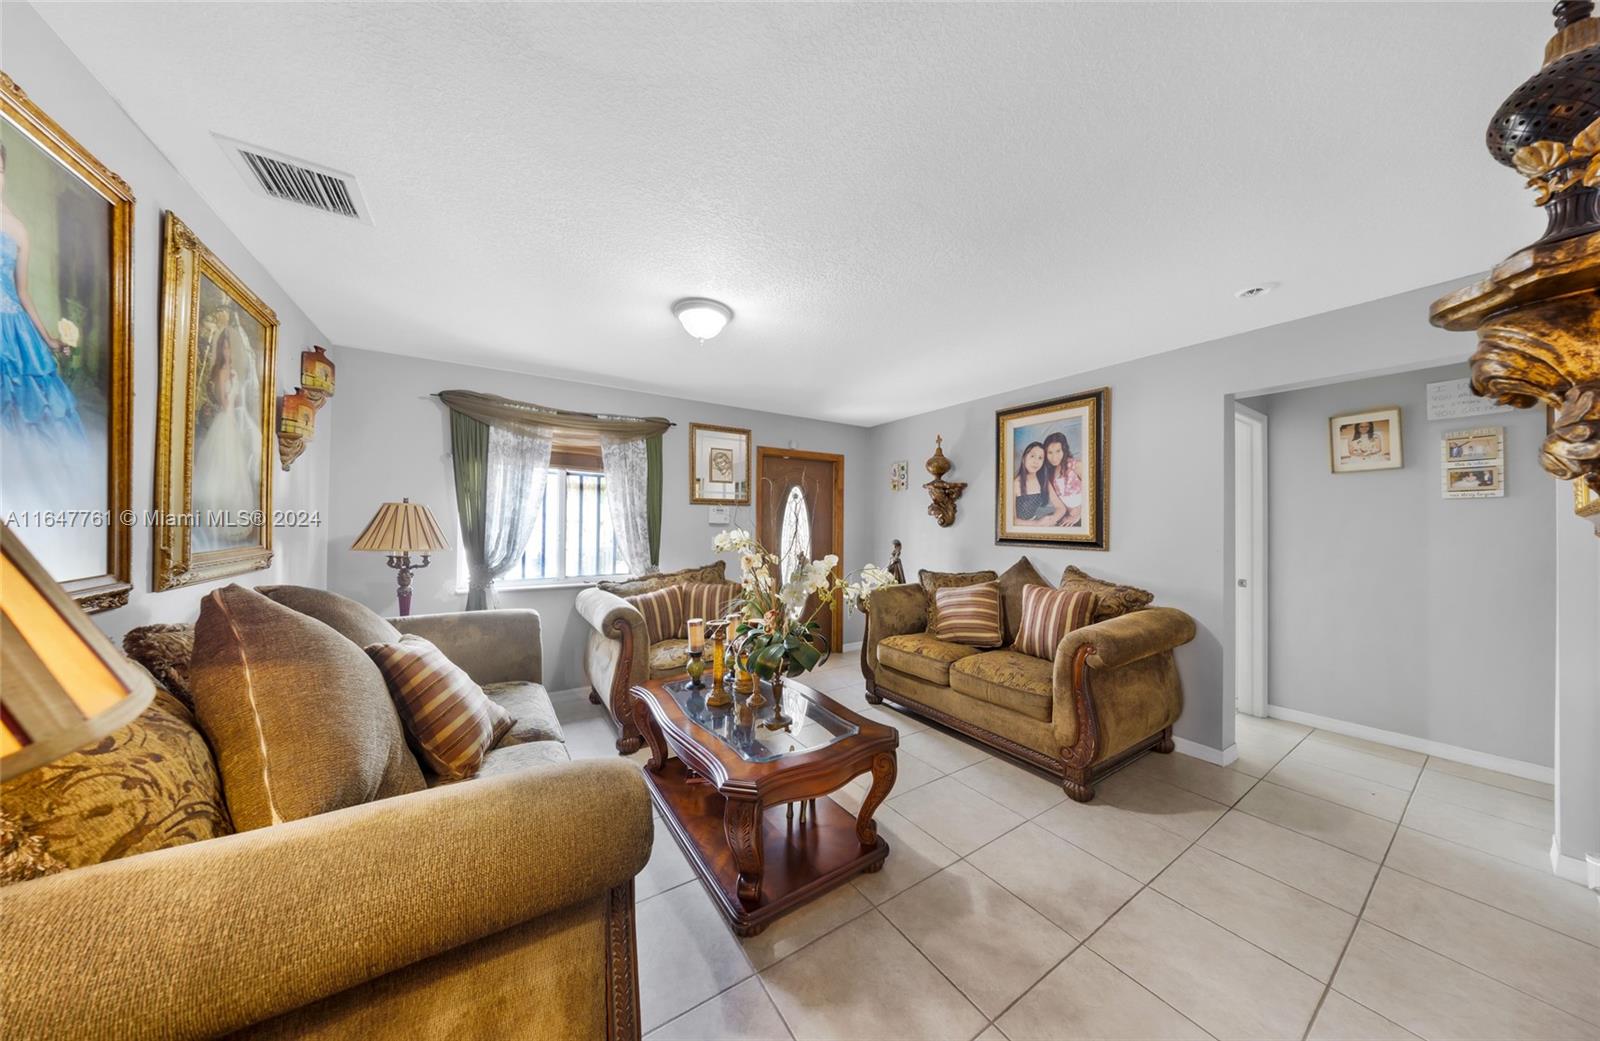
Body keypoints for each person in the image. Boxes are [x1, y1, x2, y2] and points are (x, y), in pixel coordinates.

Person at [0, 142, 85, 444]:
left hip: (11, 328)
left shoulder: (19, 230)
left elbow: (23, 293)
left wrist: (49, 339)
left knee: (24, 410)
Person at [192, 311, 260, 549]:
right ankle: (216, 521)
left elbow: (240, 400)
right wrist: (231, 391)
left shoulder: (233, 372)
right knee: (222, 469)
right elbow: (224, 400)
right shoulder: (222, 372)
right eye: (224, 347)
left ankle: (230, 520)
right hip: (225, 421)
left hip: (233, 421)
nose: (227, 351)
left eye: (230, 347)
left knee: (235, 472)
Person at [1013, 441, 1066, 525]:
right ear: (1024, 458)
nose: (1036, 461)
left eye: (1040, 458)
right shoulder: (1014, 484)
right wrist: (1037, 523)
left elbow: (1061, 508)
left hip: (1037, 523)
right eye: (1032, 456)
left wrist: (1052, 520)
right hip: (1021, 528)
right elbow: (1011, 520)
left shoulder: (1043, 481)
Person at [1043, 431, 1084, 527]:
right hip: (1065, 514)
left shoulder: (1076, 465)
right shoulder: (1050, 472)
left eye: (1058, 451)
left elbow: (1095, 492)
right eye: (1050, 452)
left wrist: (1080, 512)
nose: (1054, 457)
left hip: (1084, 513)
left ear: (1064, 450)